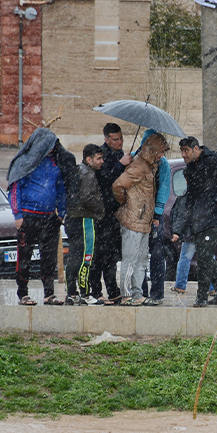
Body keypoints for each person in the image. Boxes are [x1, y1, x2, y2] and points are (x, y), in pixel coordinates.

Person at [171, 136, 217, 307]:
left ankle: (201, 297)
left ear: (195, 148)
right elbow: (190, 197)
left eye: (186, 151)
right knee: (206, 257)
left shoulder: (215, 160)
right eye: (181, 151)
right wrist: (180, 226)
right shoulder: (190, 167)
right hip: (198, 218)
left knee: (204, 257)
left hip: (214, 217)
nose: (183, 155)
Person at [6, 128, 68, 305]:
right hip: (28, 216)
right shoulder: (25, 163)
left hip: (50, 218)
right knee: (24, 257)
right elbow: (15, 189)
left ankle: (49, 294)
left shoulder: (55, 163)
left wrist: (61, 214)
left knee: (49, 258)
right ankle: (23, 293)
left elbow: (61, 189)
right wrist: (17, 214)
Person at [112, 132, 166, 306]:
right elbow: (118, 185)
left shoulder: (149, 166)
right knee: (130, 259)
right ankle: (127, 294)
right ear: (152, 150)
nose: (162, 156)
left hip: (143, 222)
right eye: (160, 151)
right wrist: (126, 203)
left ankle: (137, 293)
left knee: (142, 260)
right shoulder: (138, 166)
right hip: (133, 220)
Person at [89, 123, 128, 305]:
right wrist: (120, 165)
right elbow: (105, 180)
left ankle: (113, 290)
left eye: (121, 138)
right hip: (101, 213)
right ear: (106, 139)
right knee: (99, 255)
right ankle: (96, 290)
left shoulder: (121, 154)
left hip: (116, 213)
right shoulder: (101, 155)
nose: (119, 141)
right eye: (115, 139)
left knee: (112, 256)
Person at [64, 144, 106, 305]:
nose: (102, 161)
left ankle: (71, 293)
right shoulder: (88, 174)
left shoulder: (77, 170)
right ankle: (85, 294)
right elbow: (87, 197)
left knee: (74, 256)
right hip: (84, 219)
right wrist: (100, 210)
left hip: (72, 219)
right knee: (86, 257)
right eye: (99, 158)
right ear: (89, 159)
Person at [133, 130, 172, 305]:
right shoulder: (134, 160)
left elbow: (164, 189)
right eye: (160, 151)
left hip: (153, 214)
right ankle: (139, 291)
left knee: (156, 253)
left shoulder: (163, 164)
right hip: (137, 214)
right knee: (138, 254)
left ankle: (157, 293)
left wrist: (157, 212)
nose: (162, 156)